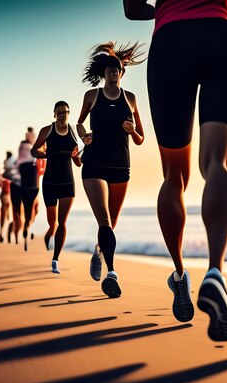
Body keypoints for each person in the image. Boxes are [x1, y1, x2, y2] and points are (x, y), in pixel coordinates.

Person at [123, 0, 227, 340]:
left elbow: (132, 9)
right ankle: (215, 272)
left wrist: (162, 11)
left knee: (174, 177)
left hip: (171, 40)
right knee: (216, 163)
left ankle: (179, 275)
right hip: (220, 36)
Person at [76, 42, 145, 298]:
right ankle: (112, 273)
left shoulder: (131, 99)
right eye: (109, 69)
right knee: (104, 220)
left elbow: (141, 138)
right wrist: (84, 136)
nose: (113, 72)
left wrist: (133, 131)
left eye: (117, 69)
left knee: (111, 223)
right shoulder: (92, 96)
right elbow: (79, 124)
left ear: (122, 73)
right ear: (104, 73)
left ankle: (98, 251)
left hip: (120, 165)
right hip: (93, 163)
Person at [32, 101, 81, 274]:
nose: (62, 114)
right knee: (52, 222)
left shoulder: (73, 133)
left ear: (69, 113)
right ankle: (49, 232)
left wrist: (77, 156)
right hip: (50, 182)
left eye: (65, 112)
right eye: (59, 112)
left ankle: (55, 259)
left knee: (62, 222)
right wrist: (45, 154)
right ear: (54, 114)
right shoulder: (47, 130)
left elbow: (78, 162)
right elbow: (33, 151)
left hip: (68, 182)